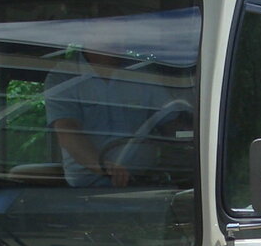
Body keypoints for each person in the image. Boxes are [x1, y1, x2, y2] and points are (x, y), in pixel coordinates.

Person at [44, 47, 170, 187]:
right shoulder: (64, 75)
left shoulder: (141, 71)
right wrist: (103, 167)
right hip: (87, 191)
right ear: (87, 32)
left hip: (147, 185)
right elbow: (67, 131)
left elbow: (171, 121)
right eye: (107, 28)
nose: (118, 36)